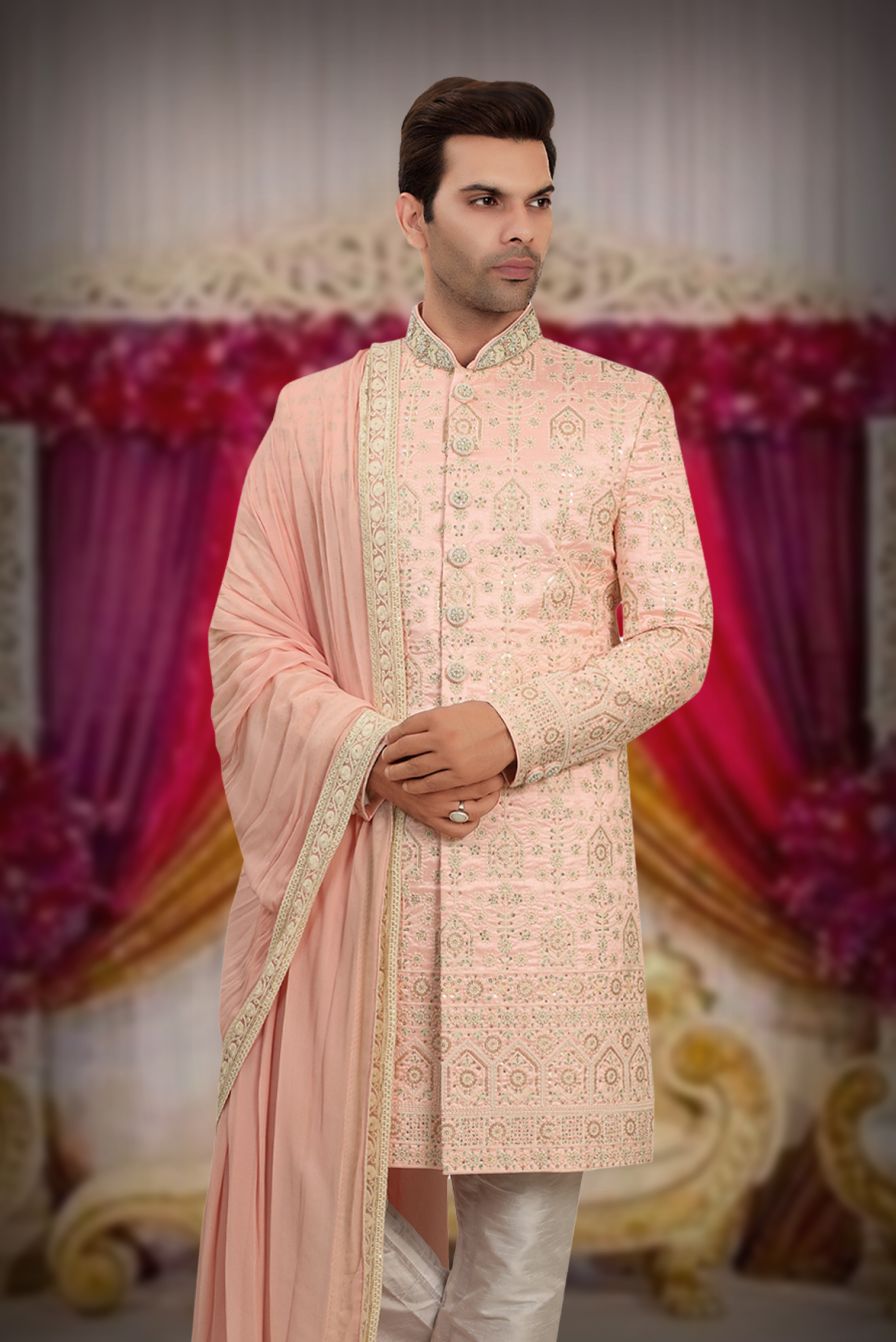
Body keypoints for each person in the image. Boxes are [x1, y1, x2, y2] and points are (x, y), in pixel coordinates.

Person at [191, 76, 713, 1342]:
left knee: (517, 1280)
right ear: (412, 217)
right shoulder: (317, 416)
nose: (518, 229)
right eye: (483, 200)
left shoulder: (620, 409)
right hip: (357, 889)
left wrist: (511, 732)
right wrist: (369, 750)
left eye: (537, 200)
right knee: (318, 1210)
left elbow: (675, 639)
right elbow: (249, 635)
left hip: (543, 912)